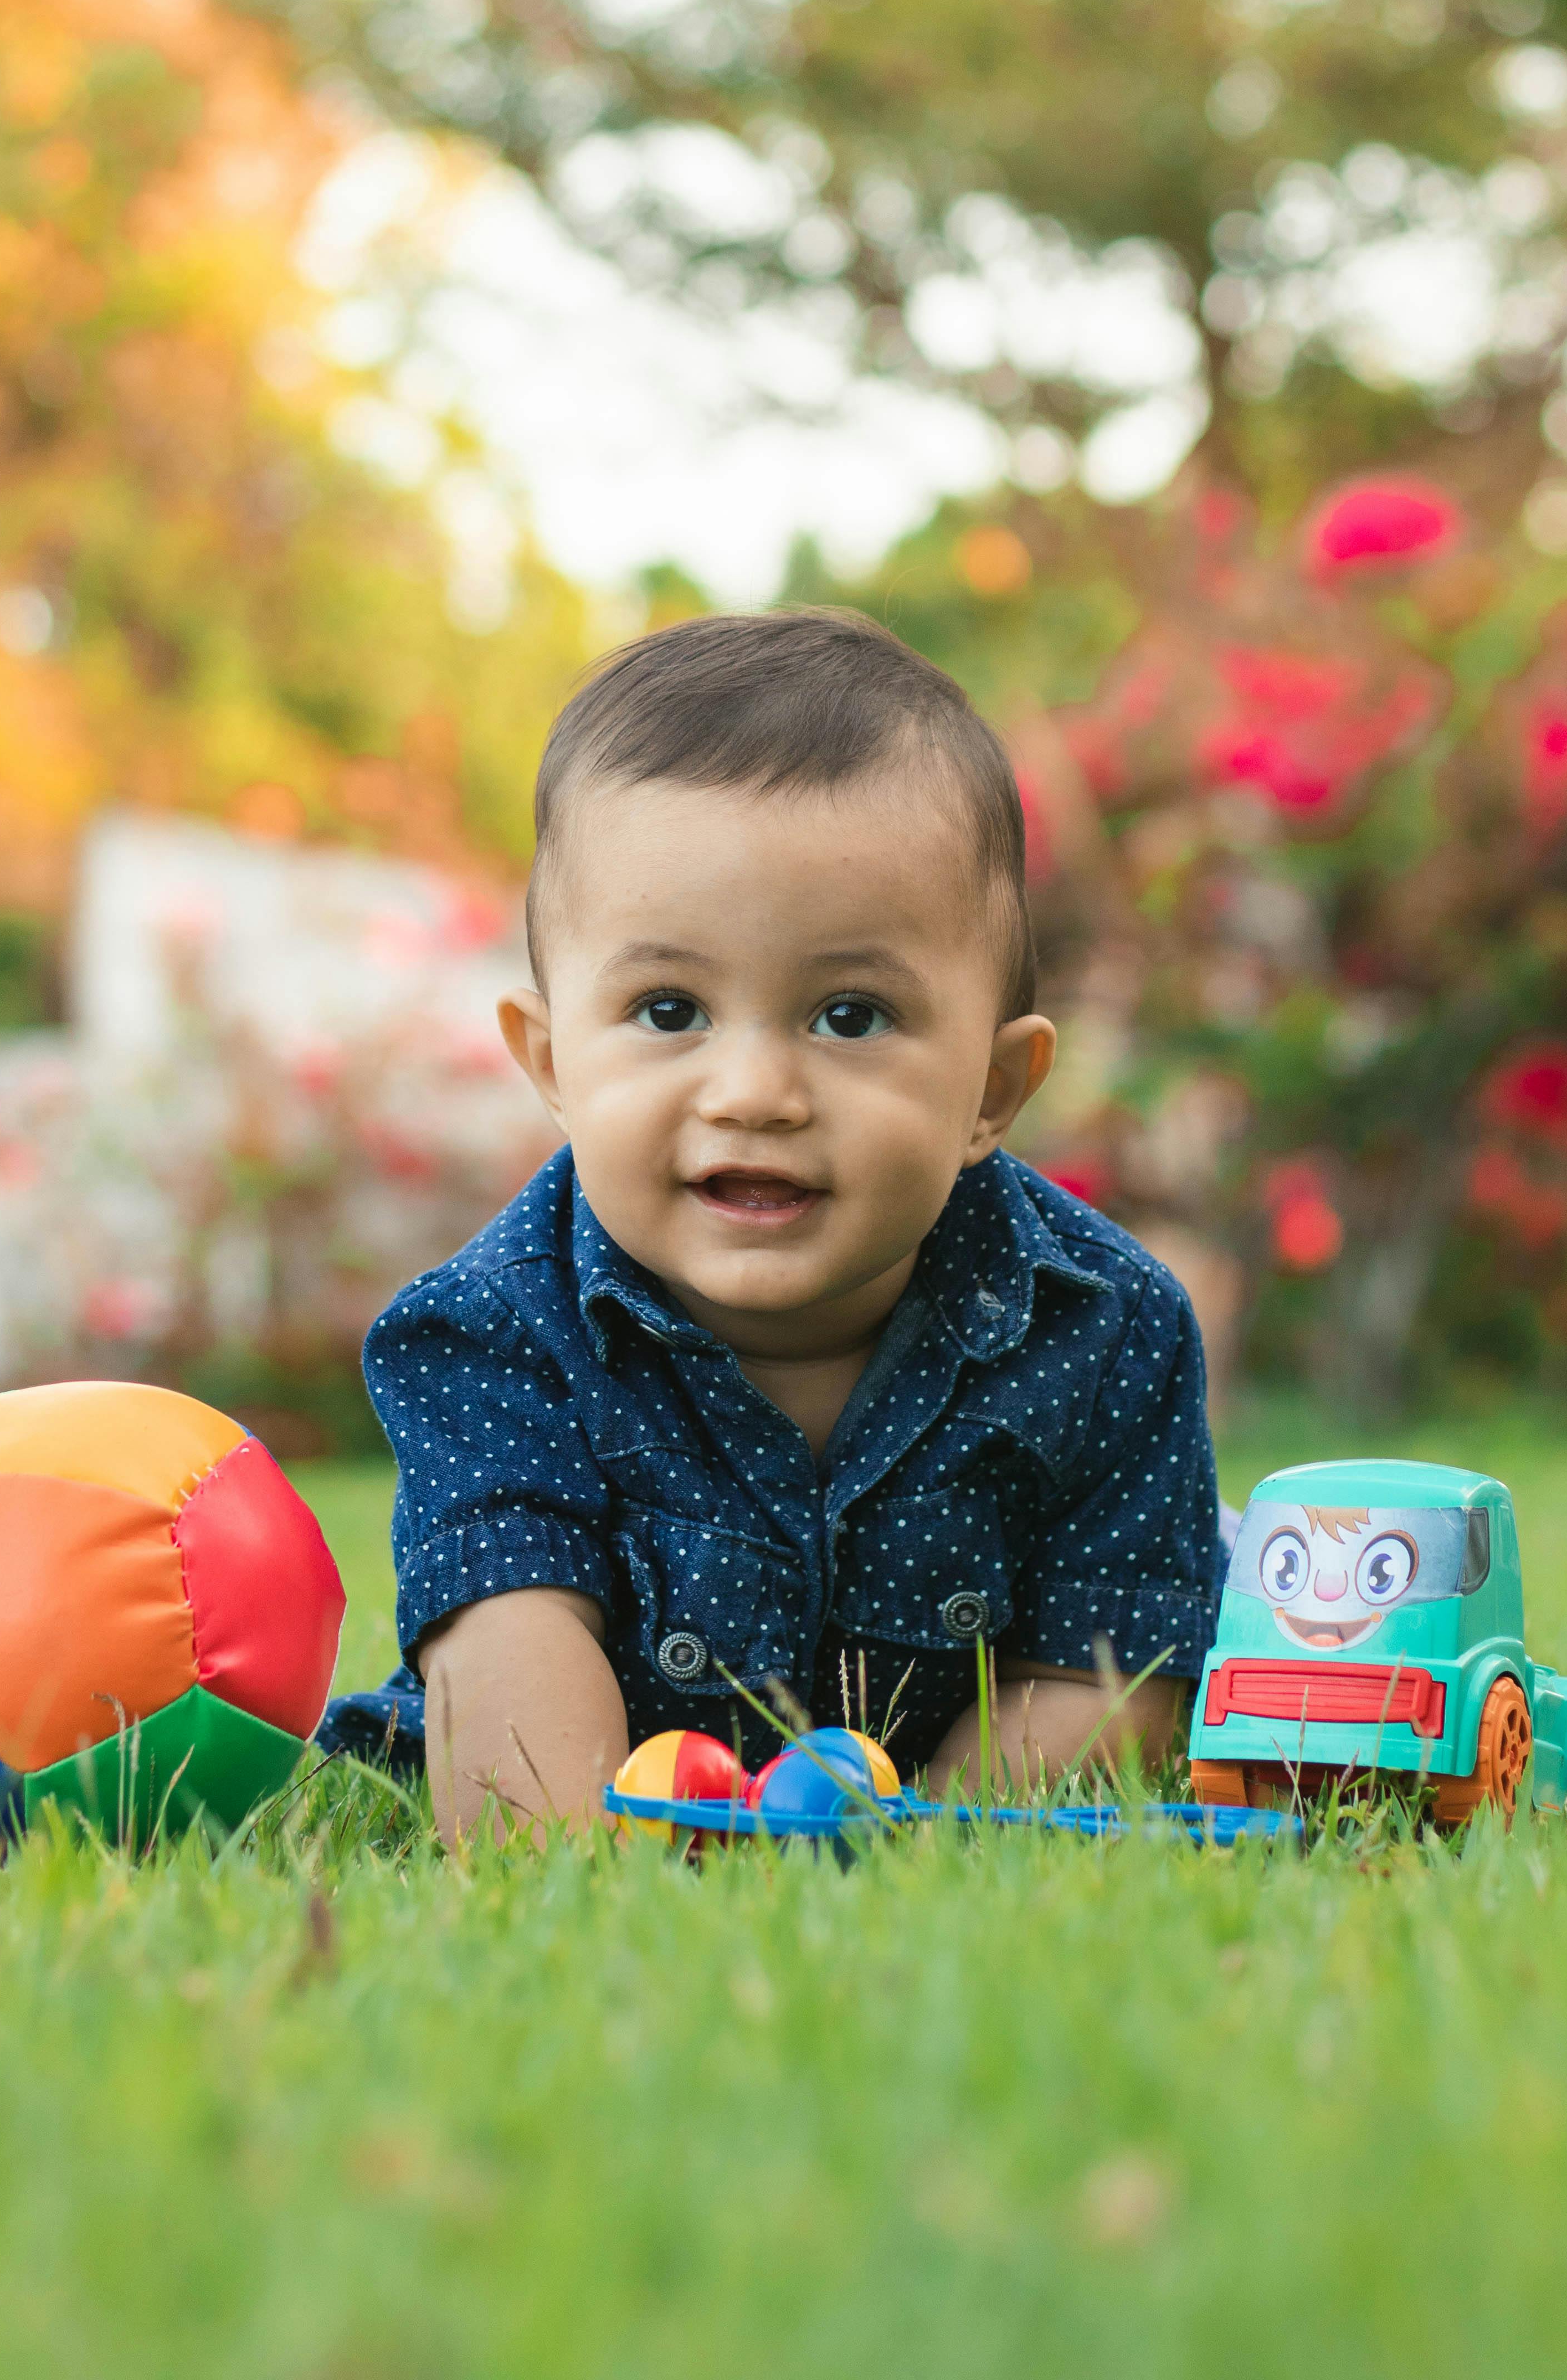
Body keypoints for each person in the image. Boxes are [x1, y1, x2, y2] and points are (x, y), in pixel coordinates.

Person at [320, 608, 1223, 1842]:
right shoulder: (490, 1337)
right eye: (667, 1007)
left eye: (848, 1016)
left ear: (993, 1092)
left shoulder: (1104, 1331)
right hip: (611, 1776)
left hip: (939, 1788)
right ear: (548, 1059)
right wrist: (589, 1865)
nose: (751, 1093)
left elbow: (1107, 1676)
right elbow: (505, 1646)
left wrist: (927, 1859)